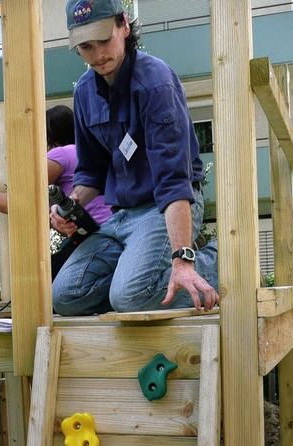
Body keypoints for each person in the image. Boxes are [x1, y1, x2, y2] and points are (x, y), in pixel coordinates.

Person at [51, 0, 219, 315]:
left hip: (165, 206)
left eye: (104, 40)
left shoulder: (155, 81)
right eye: (86, 46)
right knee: (63, 298)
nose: (98, 54)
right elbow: (91, 173)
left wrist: (182, 261)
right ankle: (136, 277)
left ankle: (223, 263)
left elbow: (173, 181)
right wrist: (69, 206)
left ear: (124, 26)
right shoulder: (84, 92)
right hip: (121, 217)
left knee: (131, 299)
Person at [0, 105, 112, 280]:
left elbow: (19, 203)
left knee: (42, 281)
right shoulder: (87, 153)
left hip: (90, 235)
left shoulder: (59, 155)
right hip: (110, 229)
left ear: (48, 134)